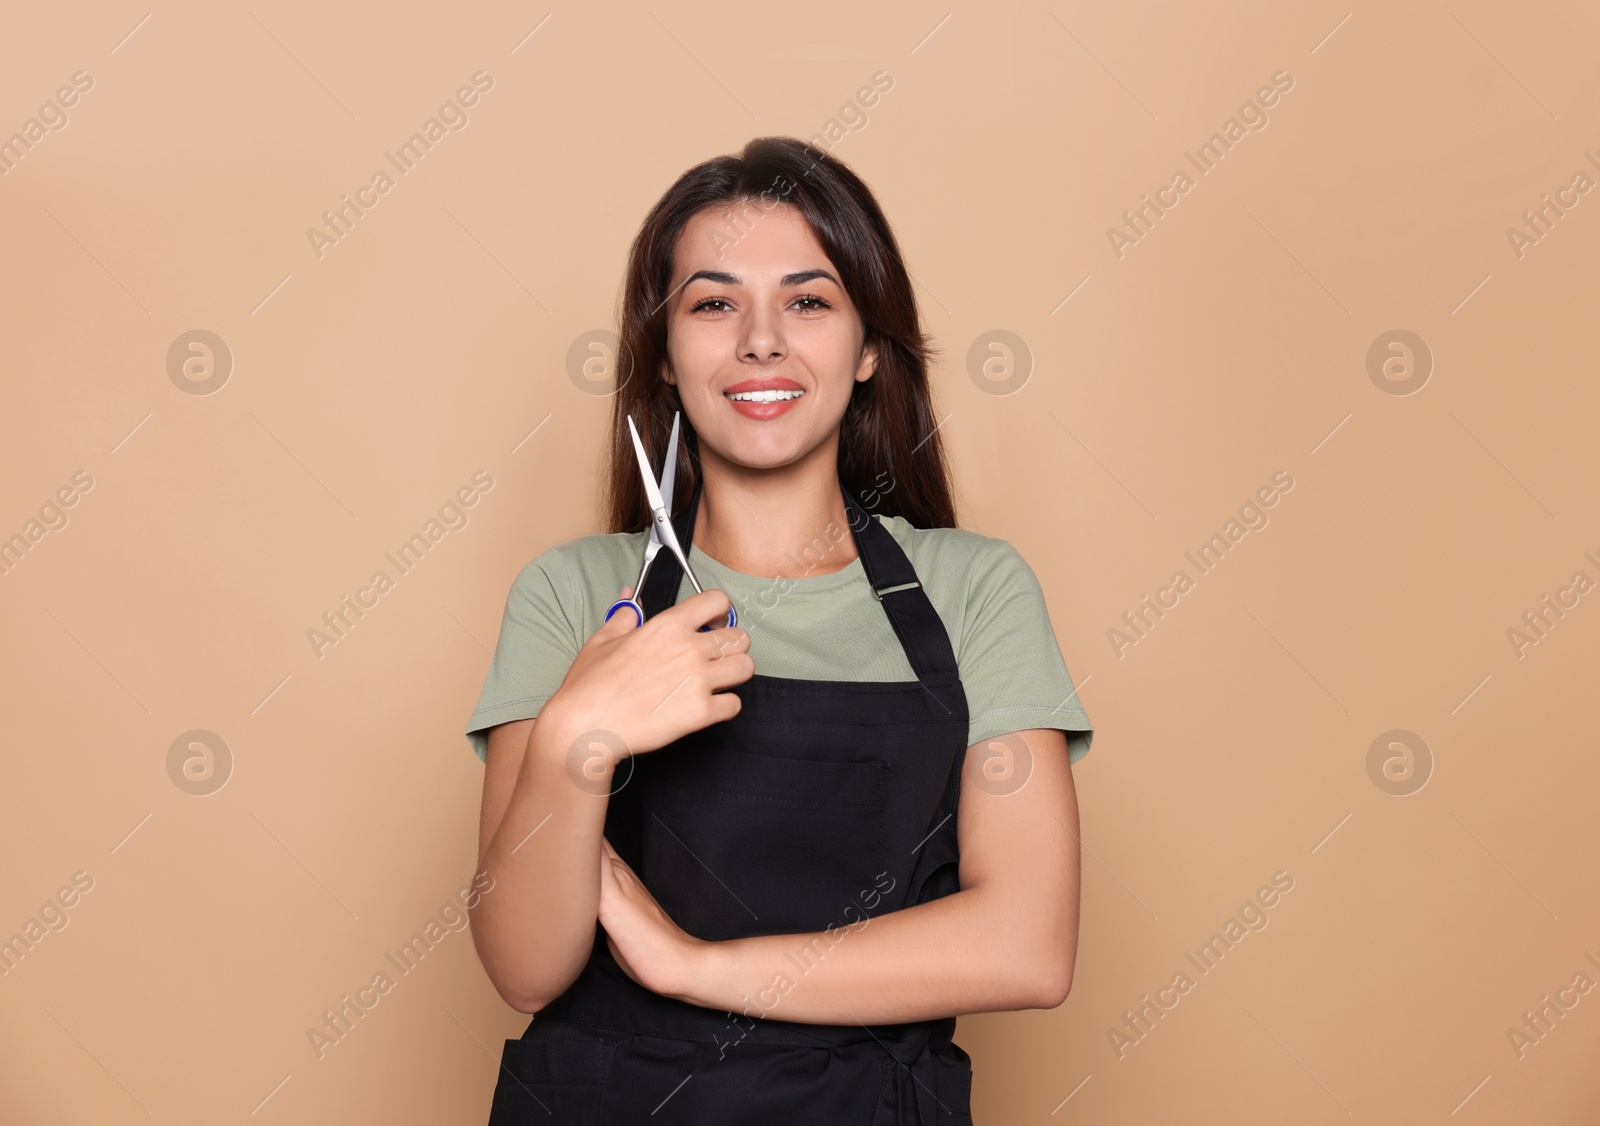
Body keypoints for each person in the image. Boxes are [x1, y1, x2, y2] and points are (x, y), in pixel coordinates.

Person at [464, 136, 1095, 1125]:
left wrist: (693, 965)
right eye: (712, 304)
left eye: (808, 300)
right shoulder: (572, 593)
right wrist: (572, 743)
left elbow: (1025, 945)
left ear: (871, 346)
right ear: (665, 358)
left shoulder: (975, 590)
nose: (761, 340)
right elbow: (525, 968)